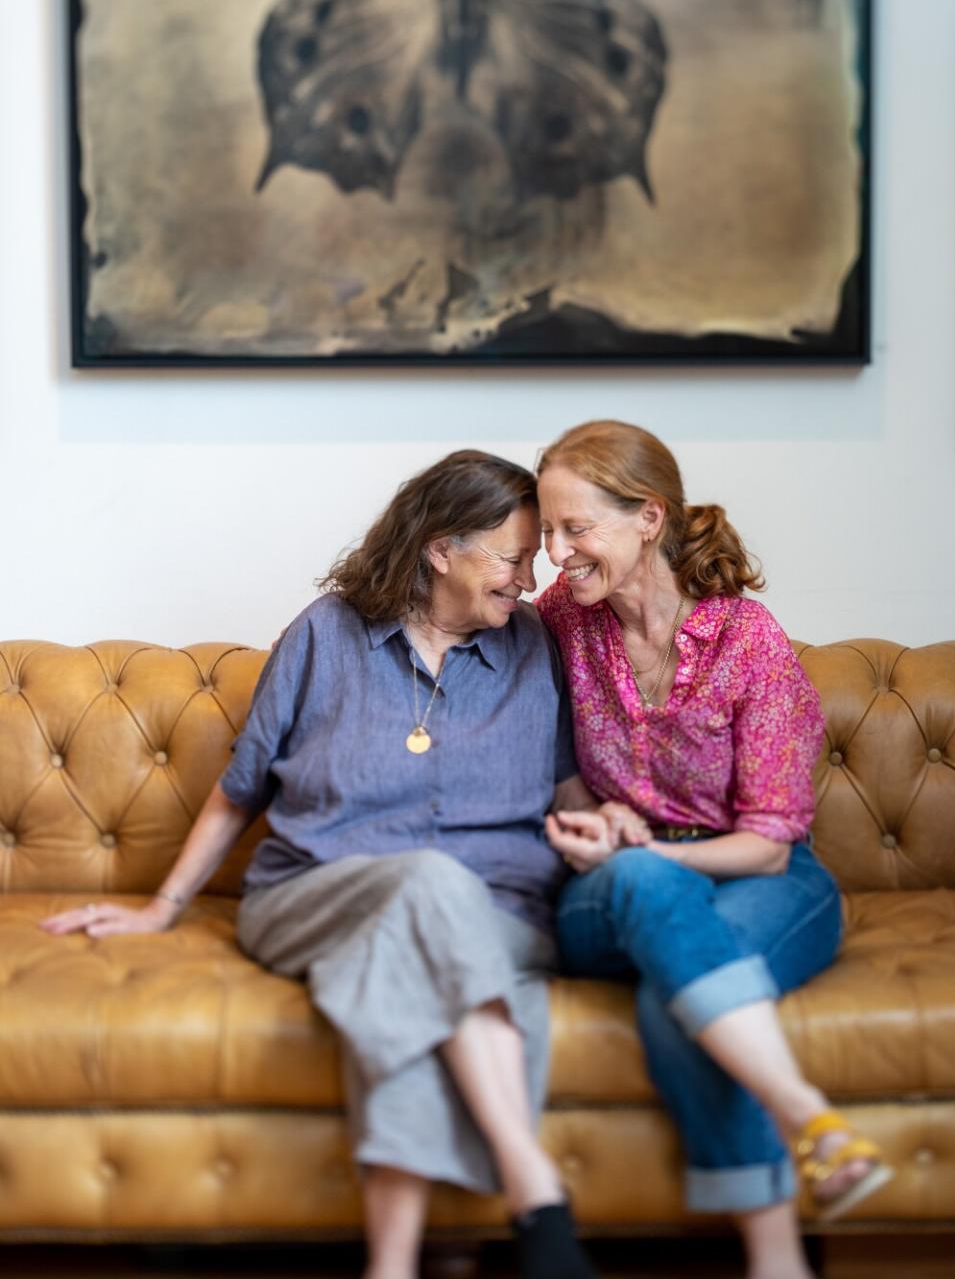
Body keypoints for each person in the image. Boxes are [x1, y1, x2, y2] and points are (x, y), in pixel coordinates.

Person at [42, 450, 599, 1279]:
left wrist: (622, 837)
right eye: (513, 558)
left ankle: (395, 1264)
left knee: (412, 951)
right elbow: (241, 789)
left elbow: (568, 788)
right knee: (429, 886)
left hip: (499, 914)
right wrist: (163, 906)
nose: (529, 577)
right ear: (441, 549)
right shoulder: (326, 635)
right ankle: (531, 1182)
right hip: (316, 895)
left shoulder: (534, 649)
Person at [535, 420, 892, 1279]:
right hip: (607, 888)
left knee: (674, 999)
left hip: (757, 873)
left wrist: (652, 854)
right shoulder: (556, 622)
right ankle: (803, 1109)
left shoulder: (747, 641)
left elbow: (770, 846)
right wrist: (595, 815)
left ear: (647, 518)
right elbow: (538, 748)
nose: (553, 553)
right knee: (640, 882)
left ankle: (774, 1263)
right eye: (546, 531)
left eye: (574, 528)